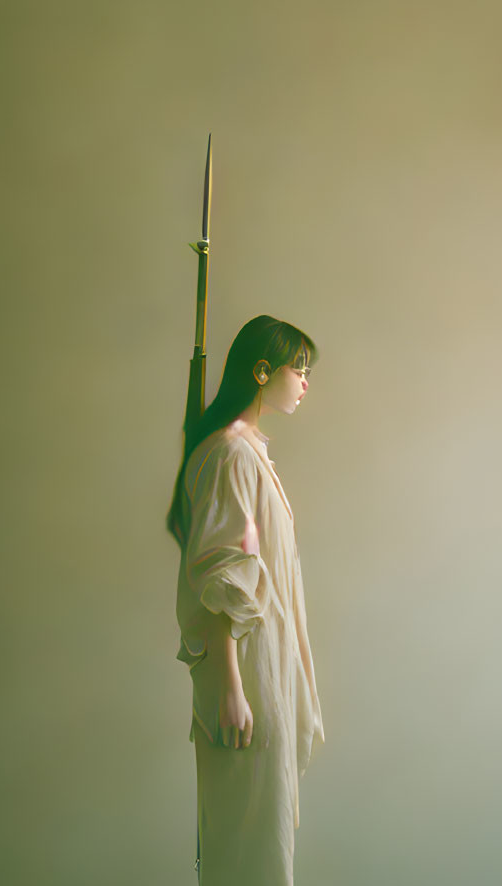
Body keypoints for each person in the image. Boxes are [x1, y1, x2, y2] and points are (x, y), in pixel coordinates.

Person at [167, 315, 324, 885]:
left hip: (264, 674)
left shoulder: (249, 452)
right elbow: (225, 575)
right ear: (263, 371)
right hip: (247, 685)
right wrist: (233, 688)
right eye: (297, 369)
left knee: (260, 838)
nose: (305, 382)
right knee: (246, 845)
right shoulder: (231, 454)